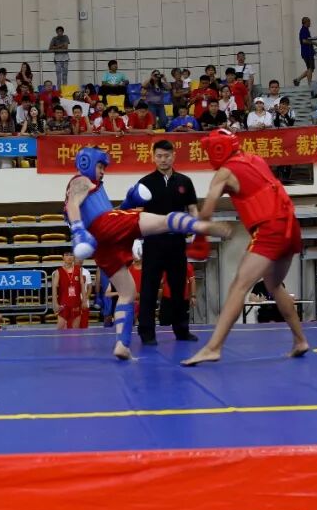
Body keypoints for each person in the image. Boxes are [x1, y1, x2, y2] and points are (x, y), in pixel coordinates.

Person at [64, 148, 231, 359]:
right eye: (99, 166)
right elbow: (72, 204)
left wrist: (127, 203)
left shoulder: (94, 186)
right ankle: (202, 227)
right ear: (86, 163)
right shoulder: (80, 181)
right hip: (101, 227)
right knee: (164, 221)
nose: (103, 171)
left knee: (127, 292)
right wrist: (78, 230)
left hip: (101, 243)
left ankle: (122, 344)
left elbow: (104, 212)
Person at [182, 129, 309, 366]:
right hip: (290, 224)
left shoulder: (224, 172)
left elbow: (206, 212)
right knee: (274, 285)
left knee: (238, 285)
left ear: (218, 150)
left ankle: (213, 348)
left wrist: (199, 228)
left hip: (270, 228)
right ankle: (300, 340)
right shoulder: (255, 159)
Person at [138, 140, 200, 345]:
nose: (163, 160)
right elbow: (137, 213)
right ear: (153, 157)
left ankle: (182, 330)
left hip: (176, 242)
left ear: (173, 156)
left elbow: (192, 208)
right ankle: (147, 333)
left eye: (166, 156)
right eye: (159, 156)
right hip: (153, 242)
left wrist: (196, 229)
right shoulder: (145, 183)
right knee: (148, 288)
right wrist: (136, 238)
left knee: (178, 288)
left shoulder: (185, 181)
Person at [53, 251, 88, 329]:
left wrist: (84, 300)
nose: (69, 257)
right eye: (67, 255)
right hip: (63, 303)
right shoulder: (58, 271)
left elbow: (82, 285)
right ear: (63, 258)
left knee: (75, 330)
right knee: (60, 328)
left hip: (76, 303)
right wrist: (55, 303)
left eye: (71, 255)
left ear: (74, 257)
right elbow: (54, 288)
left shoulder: (79, 270)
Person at [293, 16, 317, 86]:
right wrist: (314, 43)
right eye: (309, 21)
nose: (310, 23)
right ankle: (309, 84)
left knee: (310, 69)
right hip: (307, 52)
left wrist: (313, 50)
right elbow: (304, 41)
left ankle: (298, 79)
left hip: (308, 52)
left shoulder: (305, 30)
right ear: (305, 22)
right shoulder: (304, 30)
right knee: (310, 68)